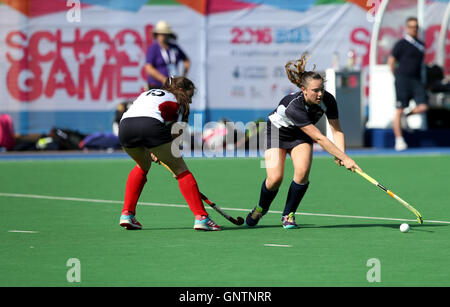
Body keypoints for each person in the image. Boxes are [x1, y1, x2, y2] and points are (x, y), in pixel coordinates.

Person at [245, 53, 362, 229]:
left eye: (321, 89)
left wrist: (341, 154)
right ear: (304, 89)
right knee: (275, 178)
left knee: (302, 171)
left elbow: (336, 130)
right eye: (315, 90)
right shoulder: (294, 106)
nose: (320, 94)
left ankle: (288, 214)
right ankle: (261, 207)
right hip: (276, 134)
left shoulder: (328, 100)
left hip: (300, 135)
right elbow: (319, 137)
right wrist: (345, 158)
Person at [118, 76, 221, 231]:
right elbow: (175, 135)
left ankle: (127, 214)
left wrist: (155, 149)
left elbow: (141, 118)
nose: (190, 101)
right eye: (190, 96)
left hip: (125, 127)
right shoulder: (178, 101)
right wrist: (167, 158)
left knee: (142, 164)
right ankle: (202, 217)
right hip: (150, 125)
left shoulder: (149, 93)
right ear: (181, 90)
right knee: (181, 169)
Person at [388, 17, 428, 151]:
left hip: (416, 80)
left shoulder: (421, 45)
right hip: (402, 79)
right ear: (406, 28)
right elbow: (391, 61)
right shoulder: (401, 44)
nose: (414, 29)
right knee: (399, 109)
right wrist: (397, 76)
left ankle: (407, 116)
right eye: (411, 26)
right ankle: (399, 140)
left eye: (416, 26)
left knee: (423, 106)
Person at [144, 20, 190, 89]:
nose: (163, 36)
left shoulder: (174, 47)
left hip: (172, 85)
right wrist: (163, 79)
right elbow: (148, 68)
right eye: (161, 34)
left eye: (165, 34)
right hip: (156, 86)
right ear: (157, 35)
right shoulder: (153, 48)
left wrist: (183, 76)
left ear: (169, 35)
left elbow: (187, 61)